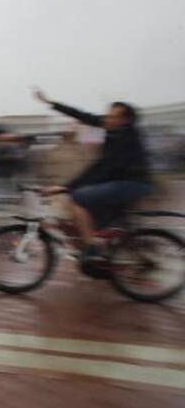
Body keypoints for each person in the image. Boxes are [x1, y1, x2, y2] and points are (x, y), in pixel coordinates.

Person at [33, 90, 151, 274]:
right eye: (108, 115)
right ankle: (103, 248)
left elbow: (102, 167)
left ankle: (92, 250)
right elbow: (84, 116)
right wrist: (51, 102)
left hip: (132, 183)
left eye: (113, 117)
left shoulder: (125, 139)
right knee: (88, 213)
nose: (107, 119)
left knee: (78, 198)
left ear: (124, 121)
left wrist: (66, 187)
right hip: (119, 181)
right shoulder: (114, 129)